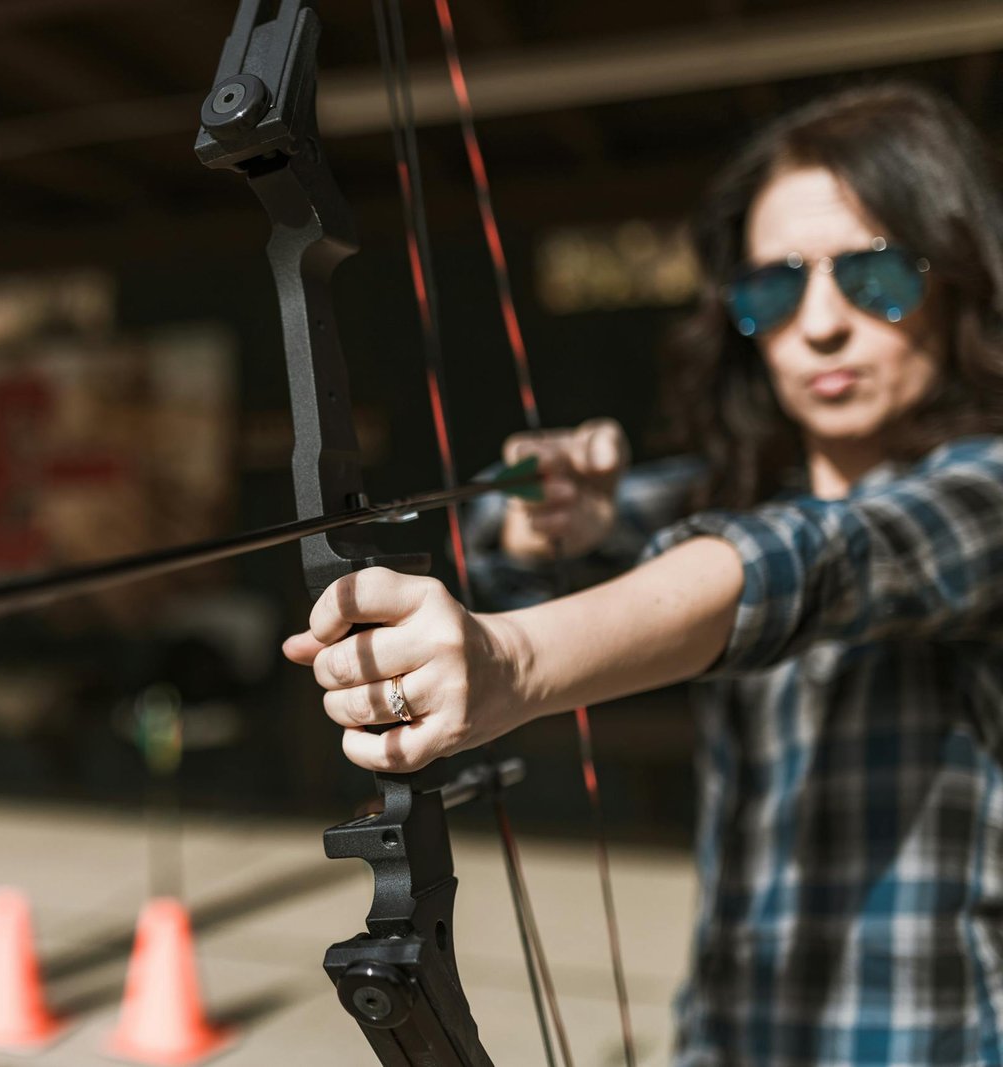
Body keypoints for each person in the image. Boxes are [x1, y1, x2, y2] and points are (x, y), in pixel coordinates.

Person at [282, 83, 1003, 1065]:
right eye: (775, 288)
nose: (820, 324)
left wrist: (515, 660)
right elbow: (526, 537)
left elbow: (820, 555)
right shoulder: (725, 490)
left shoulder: (982, 488)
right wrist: (539, 515)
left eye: (874, 276)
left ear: (957, 275)